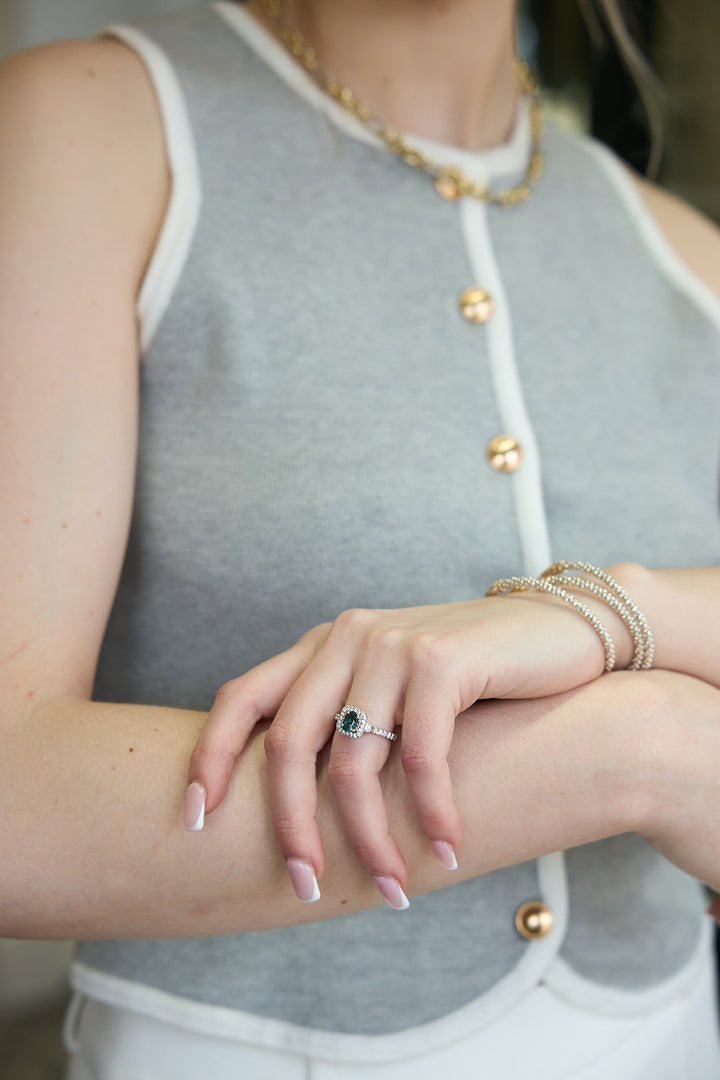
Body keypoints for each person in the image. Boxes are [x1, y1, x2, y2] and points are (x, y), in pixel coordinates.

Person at [1, 0, 719, 1076]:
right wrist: (639, 751)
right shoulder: (87, 129)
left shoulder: (685, 254)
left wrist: (619, 614)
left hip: (669, 1036)